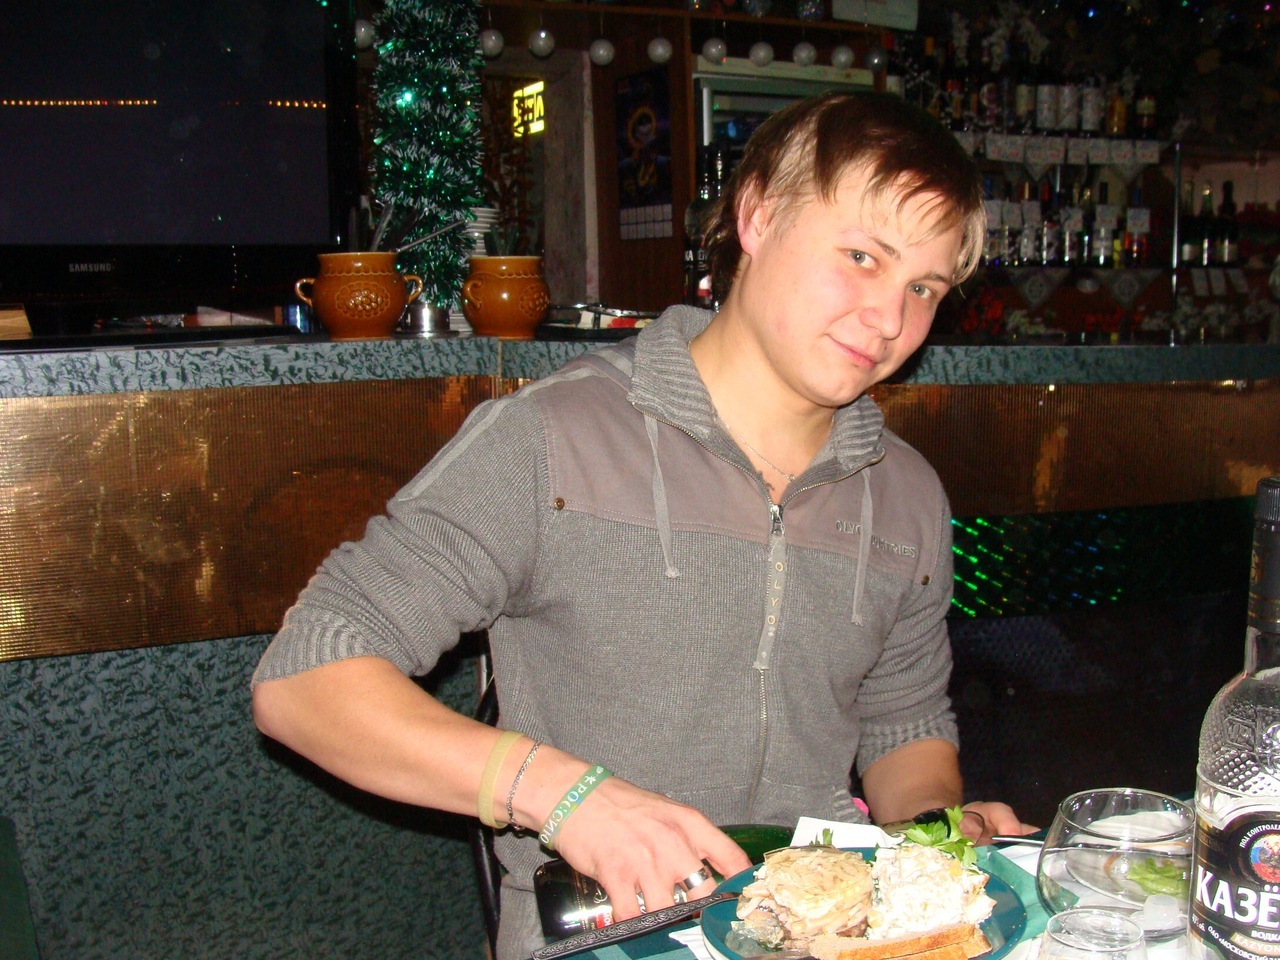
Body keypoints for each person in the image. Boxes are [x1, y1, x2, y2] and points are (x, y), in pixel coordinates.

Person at [252, 91, 1034, 960]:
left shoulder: (909, 493)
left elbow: (902, 722)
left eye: (922, 288)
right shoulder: (551, 439)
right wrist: (564, 795)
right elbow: (305, 677)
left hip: (820, 936)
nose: (889, 320)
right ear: (758, 216)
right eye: (861, 257)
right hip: (598, 937)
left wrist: (935, 840)